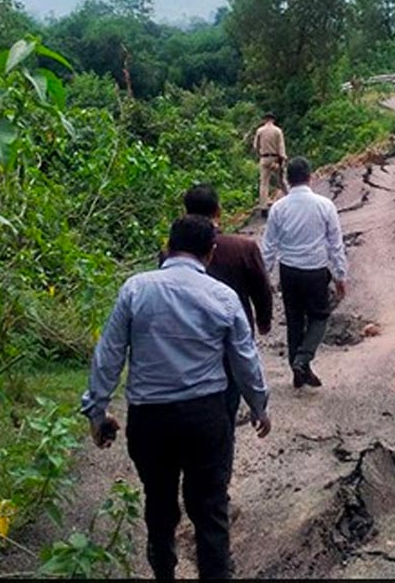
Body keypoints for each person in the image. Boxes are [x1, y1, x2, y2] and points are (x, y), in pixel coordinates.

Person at [82, 215, 271, 581]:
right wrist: (259, 405)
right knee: (211, 508)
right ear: (210, 254)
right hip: (205, 416)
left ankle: (164, 572)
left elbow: (109, 354)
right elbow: (245, 359)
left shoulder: (135, 289)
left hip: (150, 419)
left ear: (167, 248)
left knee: (159, 501)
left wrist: (97, 411)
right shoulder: (223, 297)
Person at [178, 184, 273, 425]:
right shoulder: (243, 247)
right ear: (218, 211)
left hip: (187, 338)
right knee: (226, 403)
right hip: (230, 338)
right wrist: (263, 321)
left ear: (185, 212)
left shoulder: (173, 254)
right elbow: (261, 290)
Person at [260, 157, 348, 389]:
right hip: (315, 270)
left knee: (295, 320)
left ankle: (298, 371)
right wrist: (340, 275)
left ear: (288, 180)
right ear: (310, 177)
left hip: (288, 271)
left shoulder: (279, 207)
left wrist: (264, 275)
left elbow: (269, 246)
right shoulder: (324, 205)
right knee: (320, 316)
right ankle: (303, 358)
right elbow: (335, 244)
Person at [252, 112, 287, 209]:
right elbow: (281, 146)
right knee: (281, 181)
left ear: (265, 120)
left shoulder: (260, 131)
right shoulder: (277, 131)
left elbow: (255, 146)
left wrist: (260, 154)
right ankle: (289, 197)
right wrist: (282, 158)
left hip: (264, 158)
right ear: (273, 120)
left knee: (264, 183)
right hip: (275, 159)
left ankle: (263, 206)